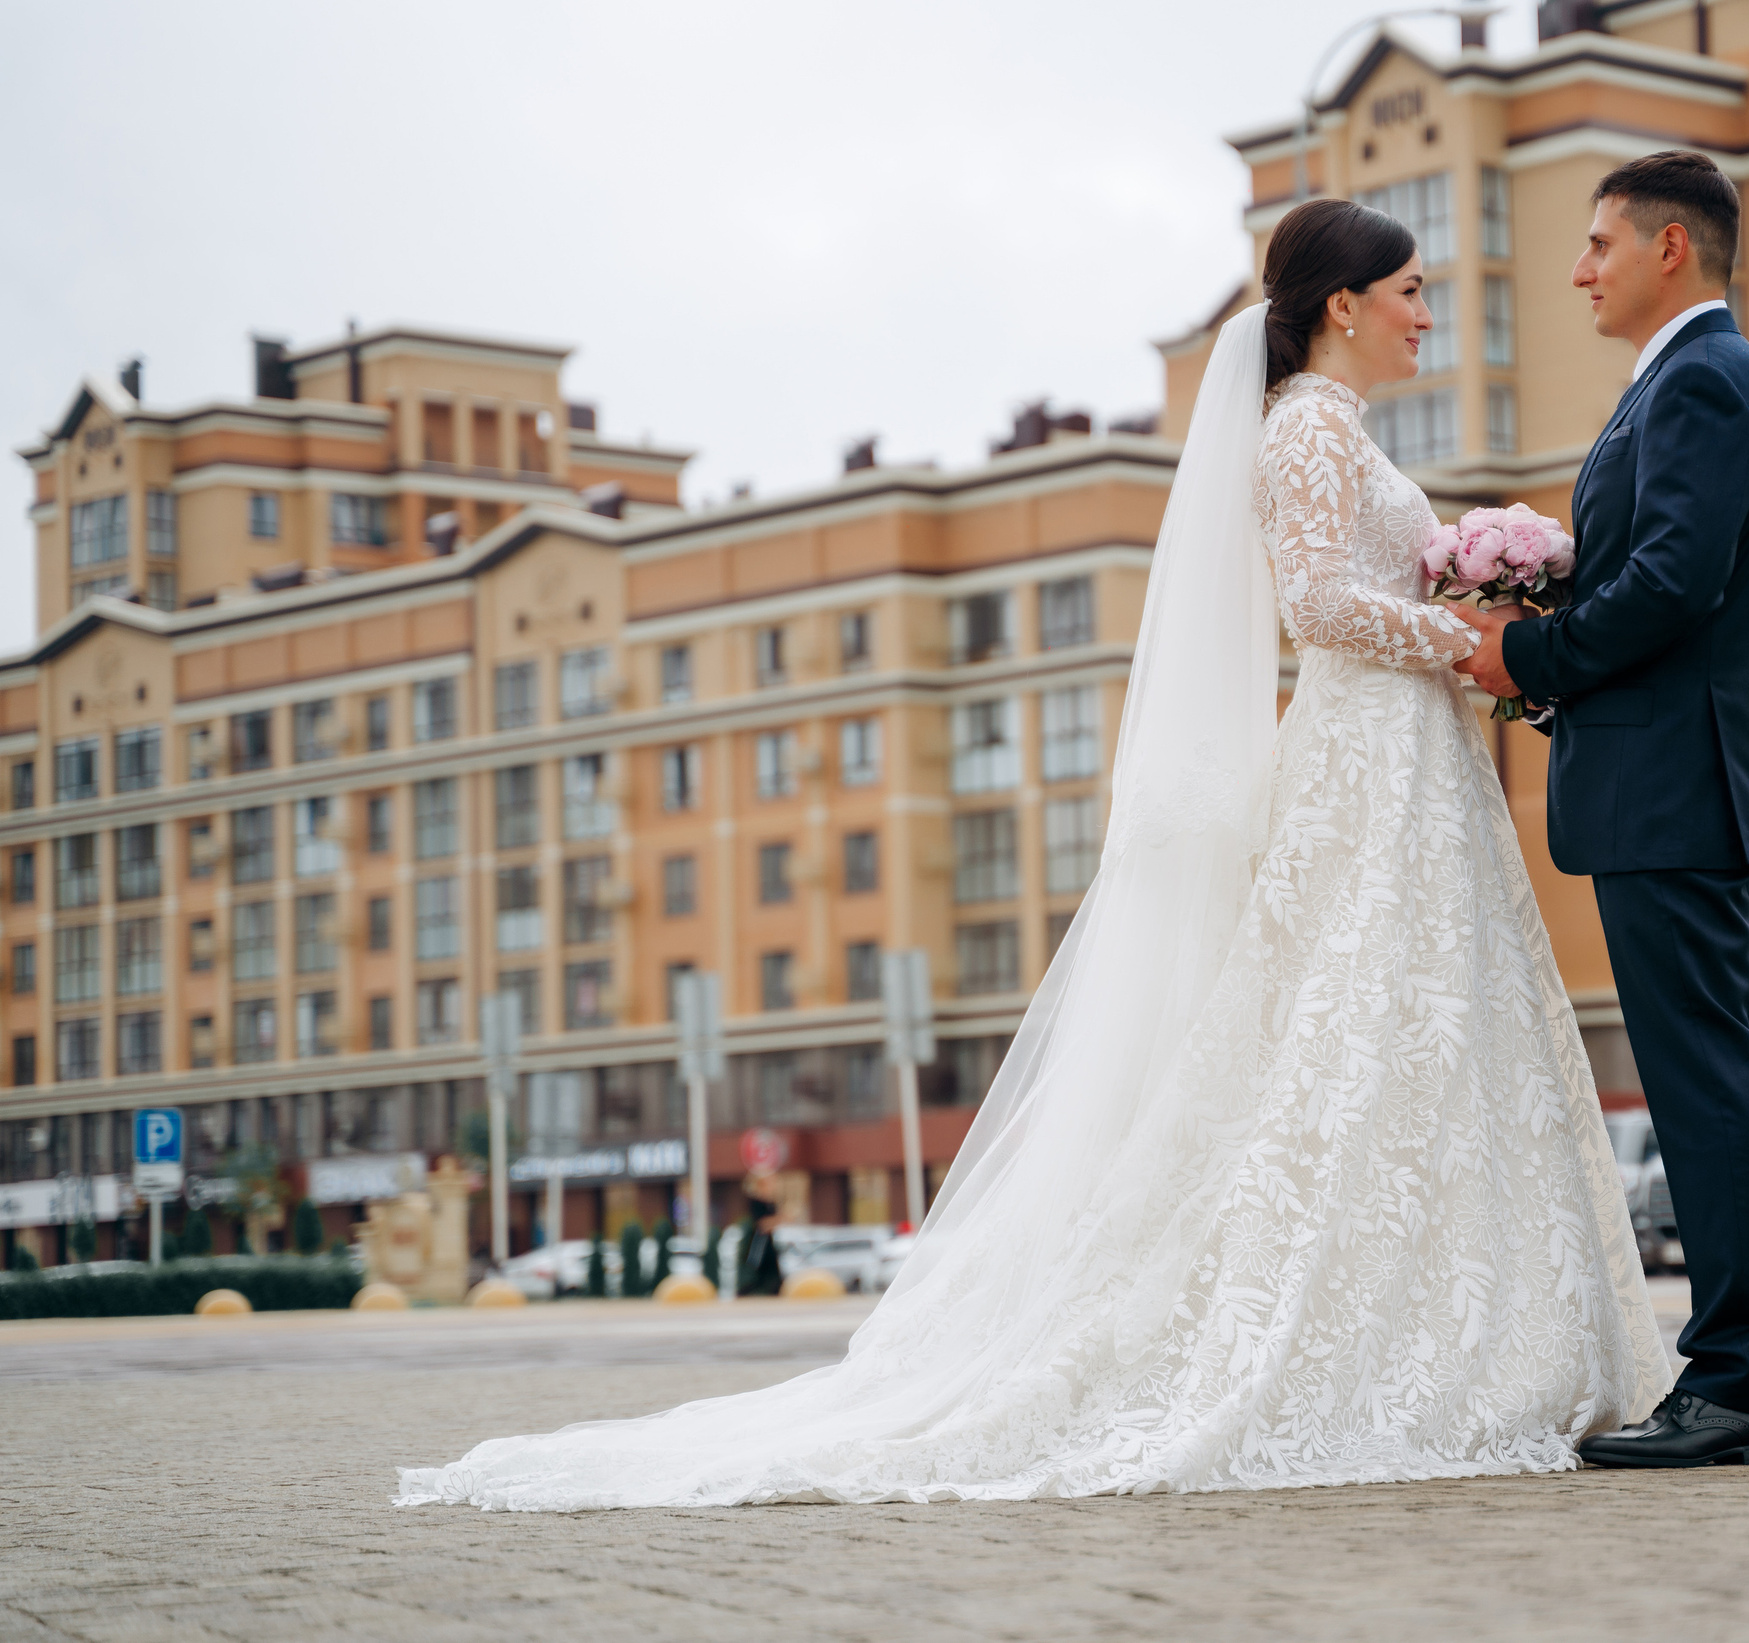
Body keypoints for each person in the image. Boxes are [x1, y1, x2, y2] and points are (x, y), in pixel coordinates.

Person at [396, 197, 1666, 1511]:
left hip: (1408, 757)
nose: (1424, 312)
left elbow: (1366, 581)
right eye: (1409, 289)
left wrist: (1483, 570)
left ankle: (1461, 1321)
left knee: (1408, 1036)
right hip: (1368, 752)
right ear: (1343, 306)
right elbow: (1315, 606)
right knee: (1343, 1032)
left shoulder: (1339, 432)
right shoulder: (1303, 431)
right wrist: (1464, 637)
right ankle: (1385, 1337)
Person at [1451, 150, 1749, 1468]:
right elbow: (1656, 577)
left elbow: (1670, 582)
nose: (1579, 268)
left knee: (1705, 1082)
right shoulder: (1692, 381)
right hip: (1673, 776)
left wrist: (1523, 656)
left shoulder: (1705, 379)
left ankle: (1733, 1378)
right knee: (1713, 1076)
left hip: (1678, 784)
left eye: (1600, 242)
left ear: (1672, 247)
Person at [736, 1194, 783, 1297]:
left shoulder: (771, 1204)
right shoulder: (755, 1203)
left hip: (768, 1246)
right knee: (756, 1278)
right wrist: (779, 1219)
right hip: (757, 1246)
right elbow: (762, 1225)